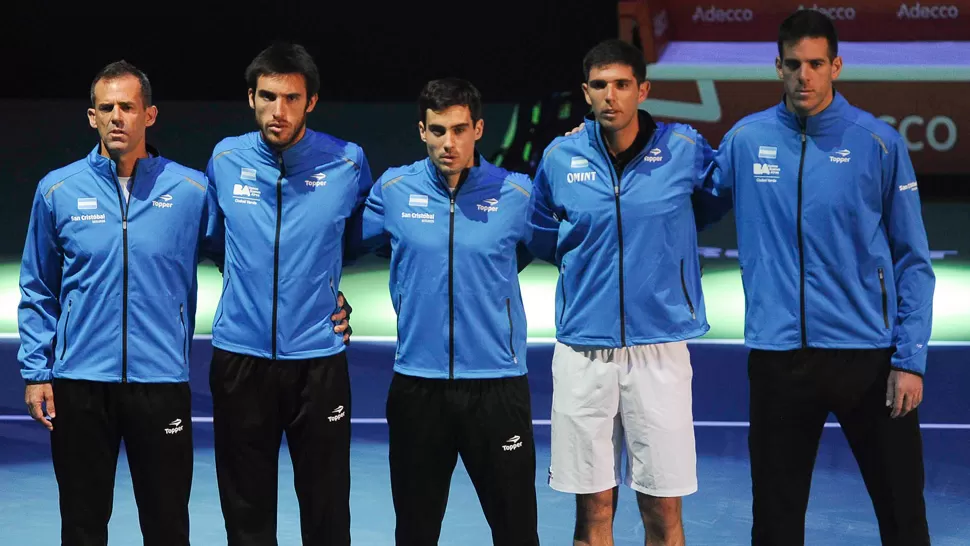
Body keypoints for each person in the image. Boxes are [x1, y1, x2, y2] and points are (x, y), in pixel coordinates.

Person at [708, 10, 935, 545]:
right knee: (776, 523)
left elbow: (913, 259)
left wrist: (910, 359)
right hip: (779, 359)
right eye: (793, 65)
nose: (803, 76)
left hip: (870, 359)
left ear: (836, 65)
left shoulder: (877, 143)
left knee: (904, 515)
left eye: (815, 64)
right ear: (778, 68)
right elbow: (686, 198)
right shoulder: (746, 140)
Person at [528, 39, 730, 546]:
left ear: (643, 89)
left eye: (622, 85)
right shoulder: (559, 157)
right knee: (592, 513)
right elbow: (540, 235)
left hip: (659, 349)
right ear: (585, 93)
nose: (611, 96)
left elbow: (709, 205)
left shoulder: (684, 151)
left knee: (663, 514)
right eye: (600, 85)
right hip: (583, 352)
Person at [18, 60, 205, 546]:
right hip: (80, 383)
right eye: (107, 108)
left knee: (167, 526)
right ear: (92, 117)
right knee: (82, 526)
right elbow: (38, 284)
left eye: (128, 106)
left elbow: (248, 257)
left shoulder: (190, 191)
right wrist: (38, 371)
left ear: (151, 115)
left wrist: (324, 294)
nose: (117, 117)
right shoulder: (58, 190)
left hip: (161, 381)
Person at [358, 77, 540, 545]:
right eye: (438, 130)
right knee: (416, 531)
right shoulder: (393, 191)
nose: (449, 142)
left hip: (497, 386)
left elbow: (568, 247)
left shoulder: (517, 194)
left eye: (459, 129)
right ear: (422, 131)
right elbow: (329, 248)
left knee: (516, 530)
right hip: (419, 387)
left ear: (478, 128)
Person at [203, 41, 368, 545]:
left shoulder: (347, 162)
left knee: (325, 509)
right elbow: (214, 241)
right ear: (251, 97)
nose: (279, 111)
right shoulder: (225, 159)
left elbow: (362, 237)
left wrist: (326, 292)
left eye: (292, 98)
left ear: (311, 102)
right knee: (245, 509)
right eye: (268, 97)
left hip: (317, 361)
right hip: (240, 359)